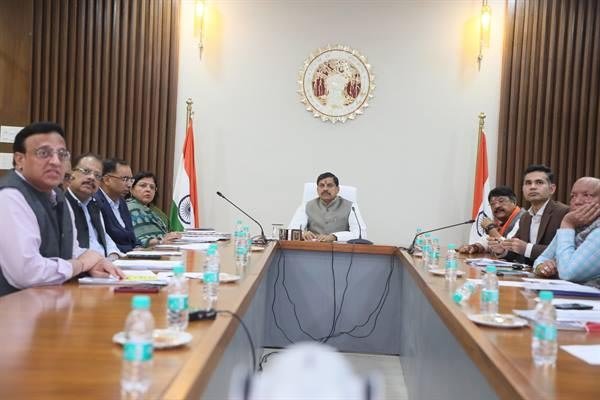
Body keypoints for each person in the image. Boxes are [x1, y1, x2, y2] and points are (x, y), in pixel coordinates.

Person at [0, 122, 124, 296]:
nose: (56, 161)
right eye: (44, 153)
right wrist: (80, 265)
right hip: (13, 307)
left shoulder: (57, 196)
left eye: (62, 154)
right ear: (20, 160)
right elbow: (27, 272)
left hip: (52, 300)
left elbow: (71, 250)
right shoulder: (10, 197)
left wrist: (95, 260)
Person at [489, 164, 569, 265]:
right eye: (528, 183)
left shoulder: (563, 213)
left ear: (551, 189)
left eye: (539, 182)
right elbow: (516, 250)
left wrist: (527, 248)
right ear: (523, 189)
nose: (532, 187)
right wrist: (502, 250)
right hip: (528, 272)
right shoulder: (525, 217)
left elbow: (564, 251)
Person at [533, 177, 600, 283]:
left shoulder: (571, 224)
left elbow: (568, 273)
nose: (577, 201)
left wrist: (567, 224)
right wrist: (542, 267)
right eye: (573, 196)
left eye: (587, 195)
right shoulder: (577, 225)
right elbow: (541, 259)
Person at [64, 152, 123, 260]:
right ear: (72, 174)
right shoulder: (62, 204)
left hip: (105, 263)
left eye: (97, 176)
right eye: (86, 171)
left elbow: (104, 237)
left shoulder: (94, 204)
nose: (92, 177)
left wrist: (113, 253)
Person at [288, 172, 367, 242]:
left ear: (337, 189)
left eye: (330, 185)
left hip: (340, 250)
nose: (325, 189)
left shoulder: (351, 207)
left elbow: (361, 234)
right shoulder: (307, 206)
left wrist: (335, 237)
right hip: (312, 249)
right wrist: (302, 234)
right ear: (317, 189)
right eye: (321, 185)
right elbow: (290, 232)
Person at [459, 186, 526, 254]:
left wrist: (490, 228)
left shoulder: (523, 218)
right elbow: (488, 241)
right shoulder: (503, 222)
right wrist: (474, 247)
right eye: (492, 204)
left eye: (501, 201)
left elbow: (510, 249)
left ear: (514, 202)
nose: (496, 206)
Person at [127, 171, 181, 247]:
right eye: (143, 185)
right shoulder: (129, 208)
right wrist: (160, 241)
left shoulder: (157, 212)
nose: (148, 189)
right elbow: (140, 240)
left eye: (152, 187)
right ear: (131, 189)